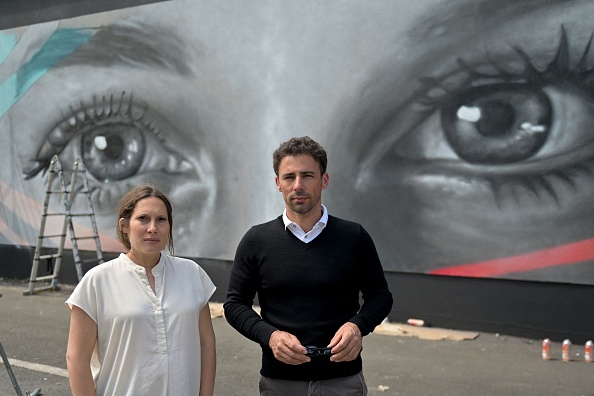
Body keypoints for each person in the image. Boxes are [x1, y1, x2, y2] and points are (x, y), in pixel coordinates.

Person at [224, 136, 393, 395]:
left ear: (324, 180)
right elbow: (234, 305)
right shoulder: (256, 240)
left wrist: (357, 326)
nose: (298, 185)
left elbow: (380, 297)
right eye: (289, 177)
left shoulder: (354, 237)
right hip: (279, 382)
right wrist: (270, 336)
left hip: (343, 380)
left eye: (307, 176)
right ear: (278, 183)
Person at [65, 183, 216, 395]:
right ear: (124, 226)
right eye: (143, 218)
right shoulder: (97, 281)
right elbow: (77, 359)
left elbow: (206, 343)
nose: (153, 227)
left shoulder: (192, 274)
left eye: (161, 220)